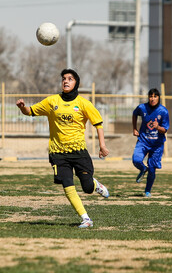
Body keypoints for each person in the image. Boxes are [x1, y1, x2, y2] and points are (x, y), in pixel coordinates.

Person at [16, 68, 109, 228]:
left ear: (76, 83)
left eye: (70, 79)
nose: (66, 81)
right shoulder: (52, 102)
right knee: (67, 185)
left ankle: (95, 185)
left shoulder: (83, 103)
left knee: (87, 188)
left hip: (79, 152)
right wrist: (22, 107)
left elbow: (98, 124)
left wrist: (102, 145)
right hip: (58, 153)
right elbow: (30, 112)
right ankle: (86, 219)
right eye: (64, 79)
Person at [132, 88, 169, 197]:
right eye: (150, 96)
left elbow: (165, 130)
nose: (152, 99)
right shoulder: (142, 107)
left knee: (152, 169)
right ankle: (143, 169)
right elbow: (135, 114)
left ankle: (147, 191)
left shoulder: (163, 111)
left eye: (155, 96)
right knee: (136, 159)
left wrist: (158, 127)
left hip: (157, 145)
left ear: (158, 98)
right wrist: (134, 128)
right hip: (143, 141)